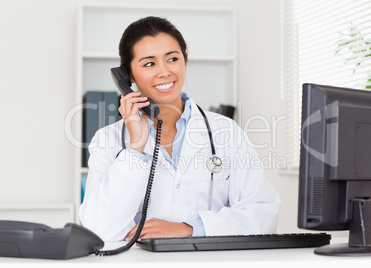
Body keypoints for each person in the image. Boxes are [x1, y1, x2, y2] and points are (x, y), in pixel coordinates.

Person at [79, 16, 281, 242]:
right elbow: (97, 230)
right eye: (149, 63)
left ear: (185, 60)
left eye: (172, 59)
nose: (164, 72)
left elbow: (263, 213)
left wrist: (189, 228)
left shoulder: (225, 131)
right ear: (129, 77)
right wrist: (135, 149)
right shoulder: (108, 140)